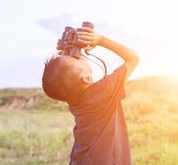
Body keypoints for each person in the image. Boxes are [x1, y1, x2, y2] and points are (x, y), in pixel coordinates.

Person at [42, 25, 139, 165]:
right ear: (86, 78)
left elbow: (63, 75)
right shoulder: (104, 92)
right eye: (77, 58)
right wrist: (101, 40)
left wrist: (66, 50)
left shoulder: (73, 98)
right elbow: (134, 58)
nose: (79, 55)